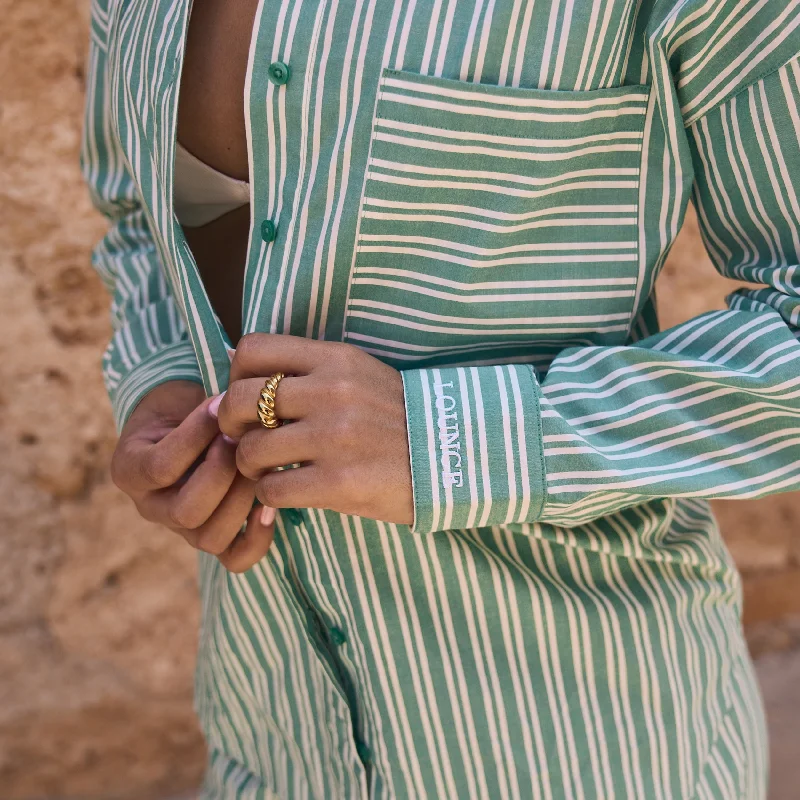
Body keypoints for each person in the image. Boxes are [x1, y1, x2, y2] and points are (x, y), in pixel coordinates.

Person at [81, 0, 800, 796]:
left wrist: (453, 441)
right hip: (270, 734)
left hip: (586, 744)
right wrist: (163, 378)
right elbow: (136, 215)